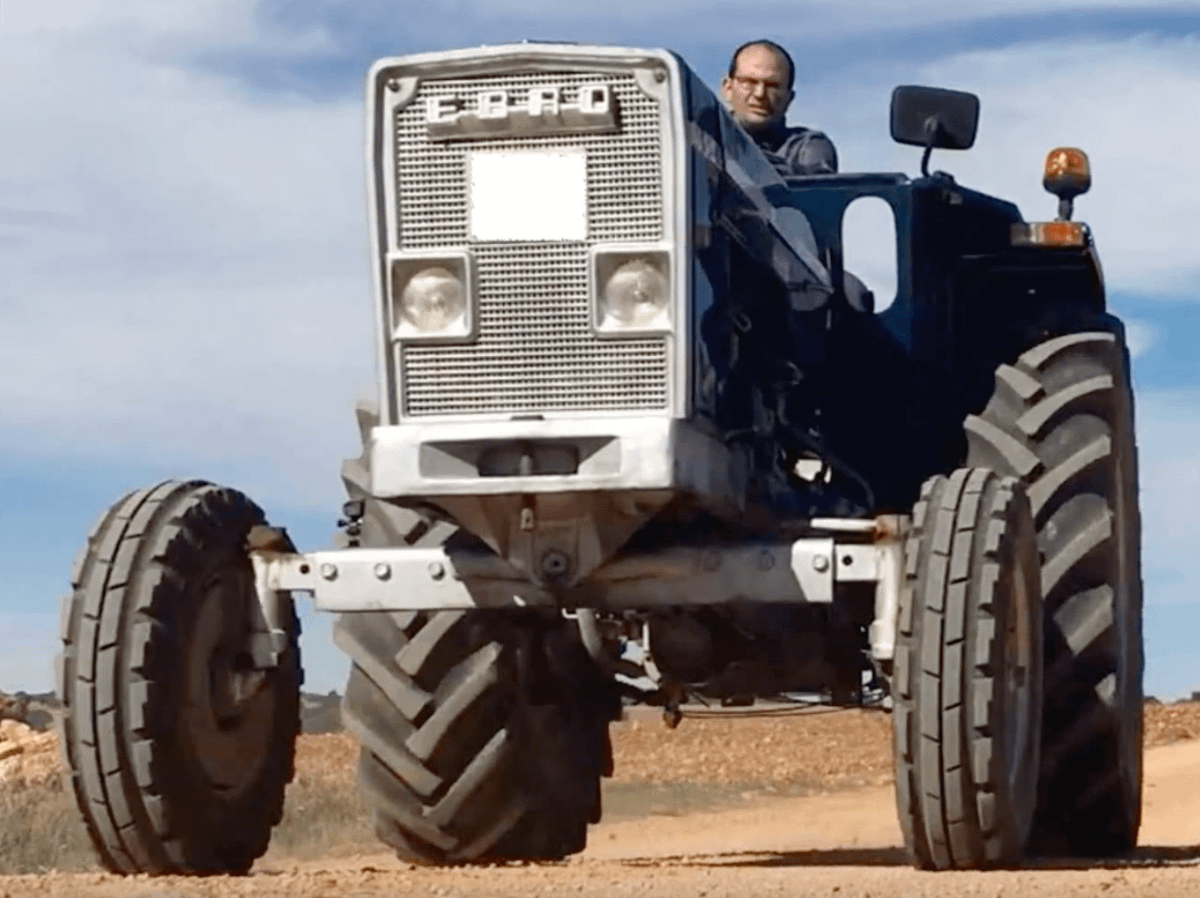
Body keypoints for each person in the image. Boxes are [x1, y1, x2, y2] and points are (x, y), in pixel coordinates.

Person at [720, 39, 838, 176]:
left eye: (773, 86)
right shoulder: (704, 141)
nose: (760, 94)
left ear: (789, 98)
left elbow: (818, 188)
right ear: (728, 88)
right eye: (749, 82)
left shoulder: (805, 148)